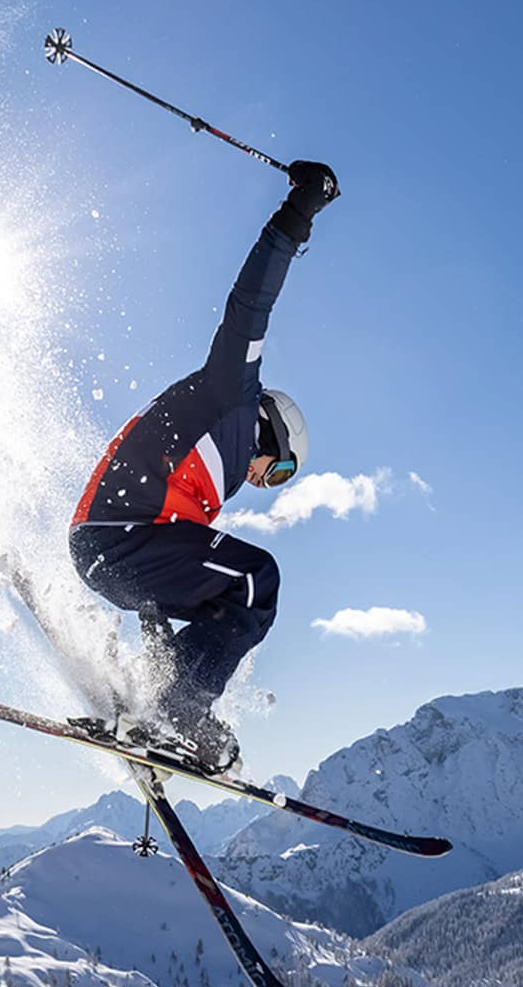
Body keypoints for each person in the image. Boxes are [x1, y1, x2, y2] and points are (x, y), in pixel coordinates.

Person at [69, 160, 339, 776]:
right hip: (121, 537)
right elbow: (250, 306)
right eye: (282, 470)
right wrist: (296, 216)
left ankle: (160, 706)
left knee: (228, 605)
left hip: (113, 551)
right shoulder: (233, 396)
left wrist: (150, 694)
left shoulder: (202, 484)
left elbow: (170, 598)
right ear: (272, 428)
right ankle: (180, 708)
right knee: (257, 580)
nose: (267, 483)